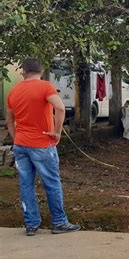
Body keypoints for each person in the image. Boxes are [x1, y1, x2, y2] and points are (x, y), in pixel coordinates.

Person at [6, 58, 80, 236]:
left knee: (26, 184)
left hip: (21, 145)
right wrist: (57, 132)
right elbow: (60, 108)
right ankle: (59, 222)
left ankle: (31, 225)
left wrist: (17, 138)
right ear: (41, 70)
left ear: (24, 71)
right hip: (41, 144)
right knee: (52, 183)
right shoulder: (45, 87)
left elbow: (9, 120)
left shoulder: (13, 92)